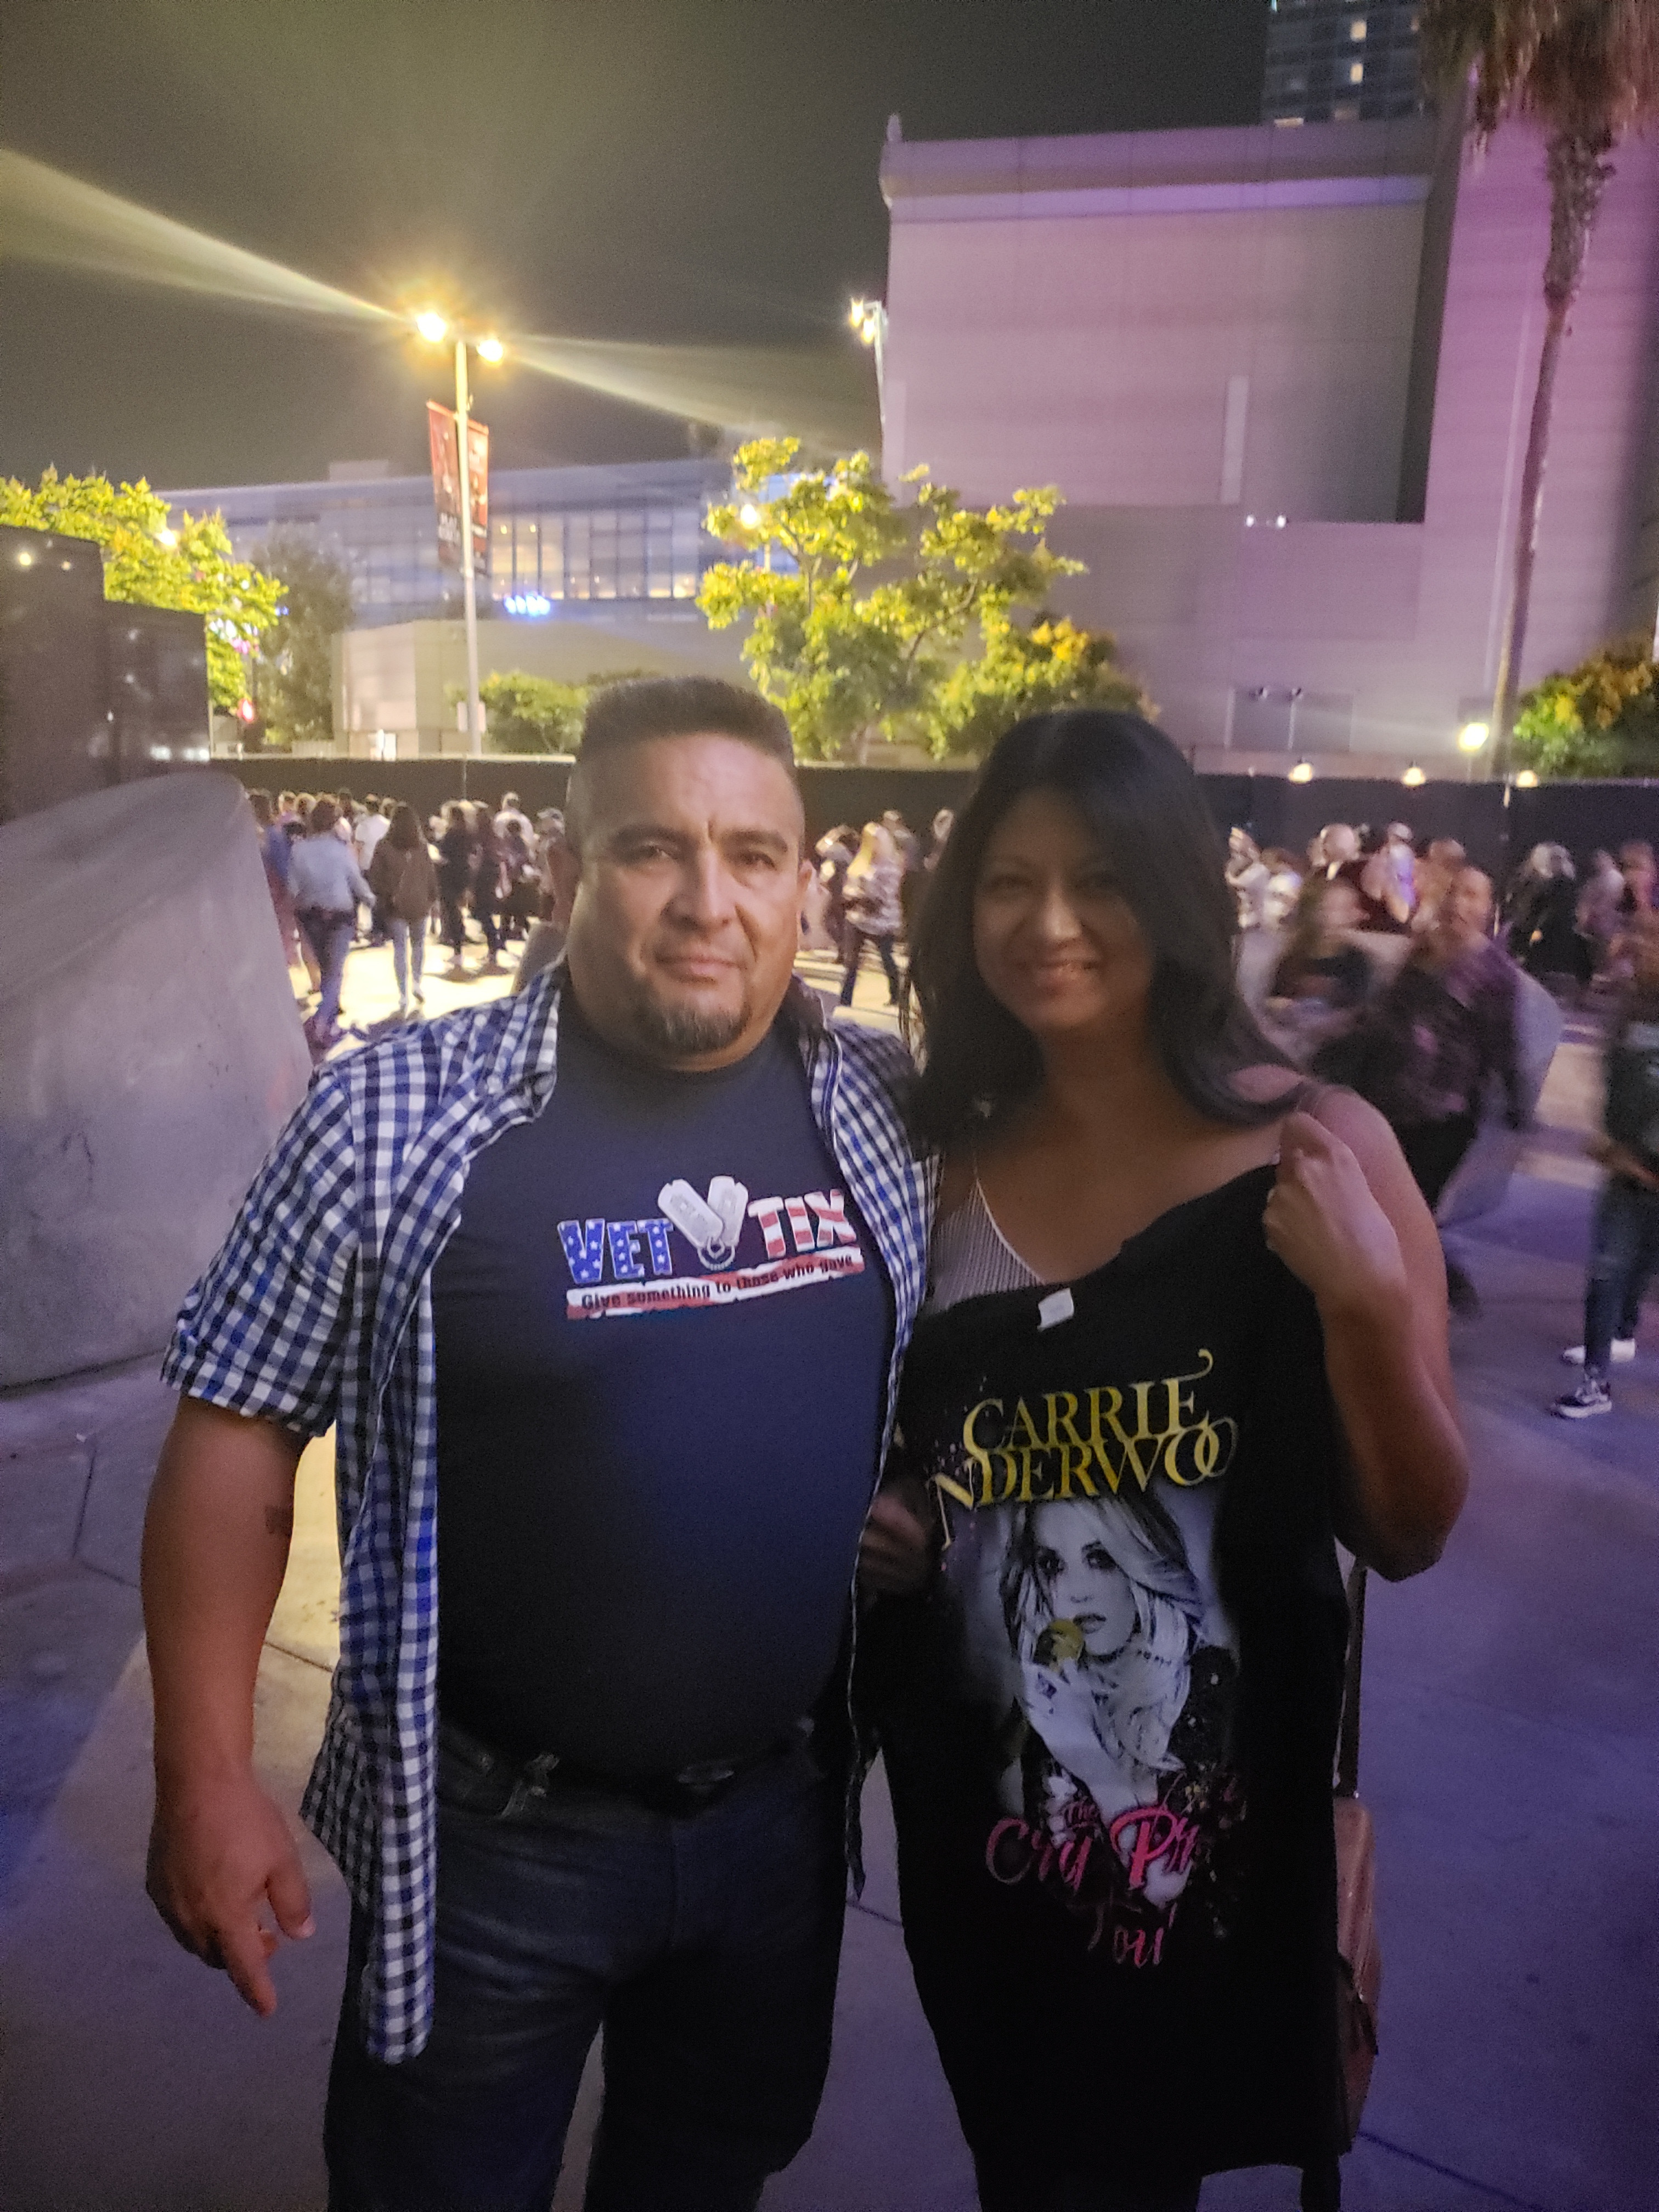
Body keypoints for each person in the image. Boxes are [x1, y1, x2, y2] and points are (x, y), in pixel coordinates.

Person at [140, 675, 933, 2212]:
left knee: (705, 2177)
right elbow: (236, 1431)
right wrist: (205, 1778)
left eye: (753, 855)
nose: (708, 900)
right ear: (568, 869)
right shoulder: (390, 1116)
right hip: (497, 1845)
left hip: (779, 1824)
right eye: (652, 848)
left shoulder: (882, 1106)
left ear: (805, 880)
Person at [856, 708, 1466, 2212]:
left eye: (1102, 880)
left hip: (1214, 1875)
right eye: (1010, 882)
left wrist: (1366, 1305)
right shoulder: (937, 1173)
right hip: (990, 1863)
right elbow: (947, 1473)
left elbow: (1407, 1531)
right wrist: (918, 1529)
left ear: (1181, 896)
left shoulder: (1319, 1151)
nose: (1050, 923)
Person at [1317, 866, 1524, 1316]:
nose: (1458, 903)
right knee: (1382, 1202)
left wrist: (1518, 1108)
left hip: (1446, 1114)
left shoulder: (1495, 974)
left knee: (1410, 1207)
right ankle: (1404, 1289)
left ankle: (1421, 1296)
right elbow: (1384, 1016)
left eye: (1471, 895)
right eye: (1453, 892)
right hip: (1389, 1100)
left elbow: (1503, 1045)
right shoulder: (1422, 954)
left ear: (1487, 908)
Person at [1554, 911, 1659, 1416]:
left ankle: (1622, 1333)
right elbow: (1617, 1082)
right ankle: (1596, 1380)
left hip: (1646, 1165)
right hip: (1626, 1169)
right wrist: (1610, 1139)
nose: (1645, 947)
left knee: (1638, 1264)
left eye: (1655, 940)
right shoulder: (1630, 1008)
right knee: (1607, 1269)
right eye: (1642, 938)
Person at [285, 797, 374, 1055]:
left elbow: (293, 887)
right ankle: (323, 1022)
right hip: (339, 914)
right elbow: (355, 880)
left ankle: (328, 1020)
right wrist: (371, 900)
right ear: (334, 823)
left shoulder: (299, 850)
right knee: (335, 971)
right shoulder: (341, 850)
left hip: (310, 914)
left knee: (326, 969)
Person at [368, 803, 438, 1017]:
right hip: (420, 902)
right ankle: (417, 982)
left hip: (395, 904)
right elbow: (430, 873)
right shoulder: (421, 846)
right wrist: (432, 897)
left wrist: (384, 896)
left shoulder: (384, 845)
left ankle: (403, 994)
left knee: (399, 947)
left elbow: (375, 876)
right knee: (418, 944)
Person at [838, 820, 904, 1007]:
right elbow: (850, 885)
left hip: (883, 920)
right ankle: (845, 999)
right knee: (852, 961)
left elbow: (886, 894)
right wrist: (852, 896)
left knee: (886, 958)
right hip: (858, 918)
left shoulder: (890, 865)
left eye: (877, 841)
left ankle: (897, 996)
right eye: (870, 840)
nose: (873, 844)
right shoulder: (861, 861)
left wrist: (866, 896)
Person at [435, 800, 475, 974]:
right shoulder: (467, 833)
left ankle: (457, 950)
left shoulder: (451, 834)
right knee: (456, 911)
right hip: (463, 875)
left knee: (452, 913)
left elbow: (445, 856)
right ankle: (458, 947)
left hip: (450, 877)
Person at [1224, 828, 1271, 930]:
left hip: (1254, 923)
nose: (1232, 842)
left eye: (1237, 839)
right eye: (1232, 838)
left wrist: (1227, 876)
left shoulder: (1260, 870)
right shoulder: (1234, 864)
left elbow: (1237, 884)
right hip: (1240, 920)